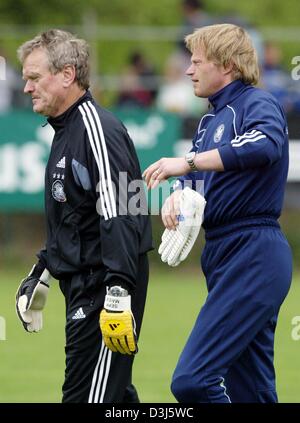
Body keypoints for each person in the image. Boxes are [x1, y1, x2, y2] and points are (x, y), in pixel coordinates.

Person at [143, 24, 292, 403]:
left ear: (225, 65)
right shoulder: (209, 121)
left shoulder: (256, 103)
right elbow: (195, 178)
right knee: (252, 392)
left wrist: (188, 163)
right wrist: (178, 195)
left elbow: (266, 144)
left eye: (196, 61)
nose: (188, 70)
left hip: (254, 251)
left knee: (192, 381)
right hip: (224, 253)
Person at [15, 29, 152, 403]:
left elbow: (126, 209)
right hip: (85, 286)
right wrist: (41, 271)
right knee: (114, 396)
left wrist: (119, 290)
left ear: (67, 74)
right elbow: (74, 219)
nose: (27, 88)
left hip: (104, 289)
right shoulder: (65, 130)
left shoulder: (97, 129)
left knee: (84, 398)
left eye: (34, 77)